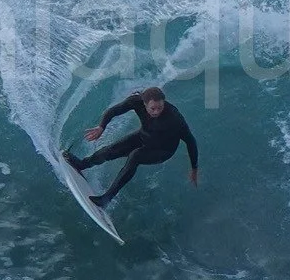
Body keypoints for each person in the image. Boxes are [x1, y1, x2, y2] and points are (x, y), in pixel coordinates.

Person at [64, 86, 200, 209]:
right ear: (144, 103)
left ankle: (106, 199)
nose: (156, 111)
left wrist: (194, 168)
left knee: (135, 156)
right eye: (153, 108)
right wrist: (101, 127)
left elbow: (190, 141)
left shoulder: (174, 118)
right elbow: (114, 110)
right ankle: (82, 164)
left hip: (163, 150)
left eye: (160, 107)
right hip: (144, 136)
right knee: (111, 150)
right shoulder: (136, 101)